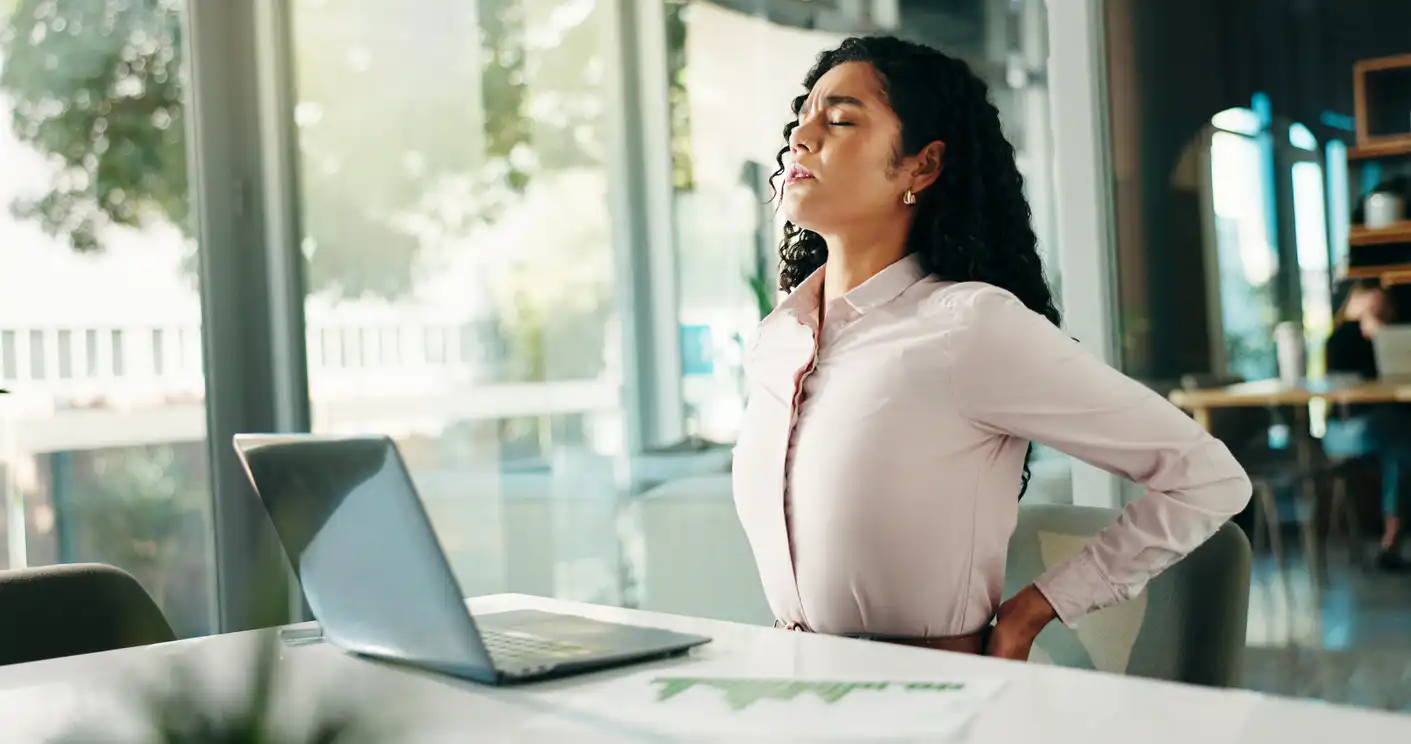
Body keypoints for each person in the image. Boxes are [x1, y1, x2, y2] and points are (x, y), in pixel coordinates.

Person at [732, 36, 1251, 660]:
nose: (802, 137)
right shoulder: (779, 339)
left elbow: (1208, 478)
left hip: (933, 704)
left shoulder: (968, 327)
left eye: (840, 119)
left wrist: (1036, 608)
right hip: (798, 692)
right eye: (802, 118)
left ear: (922, 166)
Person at [1323, 280, 1409, 571]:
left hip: (1386, 433)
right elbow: (1344, 387)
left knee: (1401, 448)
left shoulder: (1395, 336)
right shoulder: (1340, 338)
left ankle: (1391, 541)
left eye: (1381, 302)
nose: (1375, 304)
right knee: (1401, 434)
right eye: (1368, 298)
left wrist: (1381, 337)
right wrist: (1365, 333)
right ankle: (1392, 539)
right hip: (1343, 433)